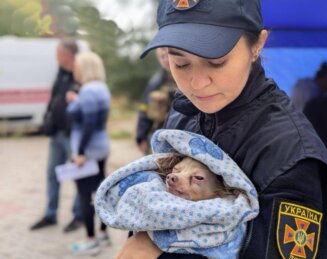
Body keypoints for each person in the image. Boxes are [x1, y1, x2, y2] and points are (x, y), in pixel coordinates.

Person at [117, 0, 327, 258]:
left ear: (258, 44)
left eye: (216, 62)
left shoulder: (291, 157)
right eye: (181, 63)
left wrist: (153, 247)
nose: (197, 83)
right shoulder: (184, 112)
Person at [95, 129, 258, 258]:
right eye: (176, 171)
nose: (174, 178)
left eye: (197, 178)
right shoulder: (181, 113)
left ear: (223, 191)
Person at [30, 38, 83, 233]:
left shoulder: (80, 74)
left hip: (73, 136)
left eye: (58, 53)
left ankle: (79, 215)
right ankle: (50, 214)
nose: (56, 57)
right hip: (57, 133)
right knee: (52, 174)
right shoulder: (60, 73)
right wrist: (47, 118)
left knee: (79, 176)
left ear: (67, 54)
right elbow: (54, 99)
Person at [66, 51, 111, 255]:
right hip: (101, 146)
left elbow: (89, 122)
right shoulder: (101, 88)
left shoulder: (88, 90)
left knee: (85, 195)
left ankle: (91, 239)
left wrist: (81, 152)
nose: (74, 69)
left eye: (76, 66)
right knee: (101, 190)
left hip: (88, 150)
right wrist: (77, 100)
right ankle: (103, 234)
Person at [136, 48, 177, 154]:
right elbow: (145, 107)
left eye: (167, 55)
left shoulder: (191, 77)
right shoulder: (156, 82)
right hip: (162, 133)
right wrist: (141, 135)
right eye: (161, 57)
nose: (165, 60)